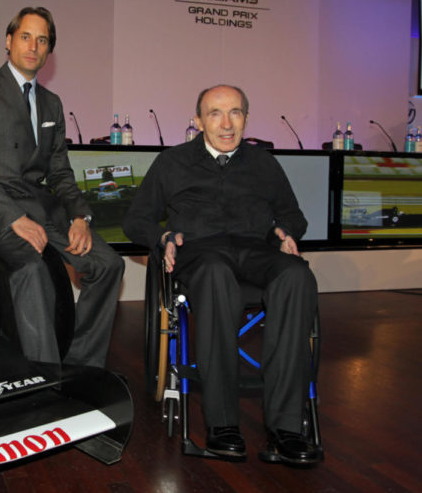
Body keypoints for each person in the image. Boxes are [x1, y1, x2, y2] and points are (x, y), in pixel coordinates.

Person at [123, 84, 321, 465]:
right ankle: (223, 424)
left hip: (256, 251)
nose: (226, 123)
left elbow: (293, 214)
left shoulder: (264, 162)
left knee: (297, 275)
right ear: (198, 121)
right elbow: (136, 220)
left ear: (246, 118)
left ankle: (285, 428)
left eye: (235, 113)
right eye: (215, 113)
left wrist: (286, 233)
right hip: (201, 254)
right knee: (215, 274)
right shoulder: (172, 162)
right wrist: (162, 236)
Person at [0, 6, 124, 368]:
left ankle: (81, 367)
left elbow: (60, 171)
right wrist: (14, 219)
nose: (33, 46)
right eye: (25, 36)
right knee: (32, 269)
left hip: (43, 208)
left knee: (108, 264)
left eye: (42, 40)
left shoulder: (52, 104)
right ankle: (46, 383)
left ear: (48, 50)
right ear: (9, 42)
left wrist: (79, 215)